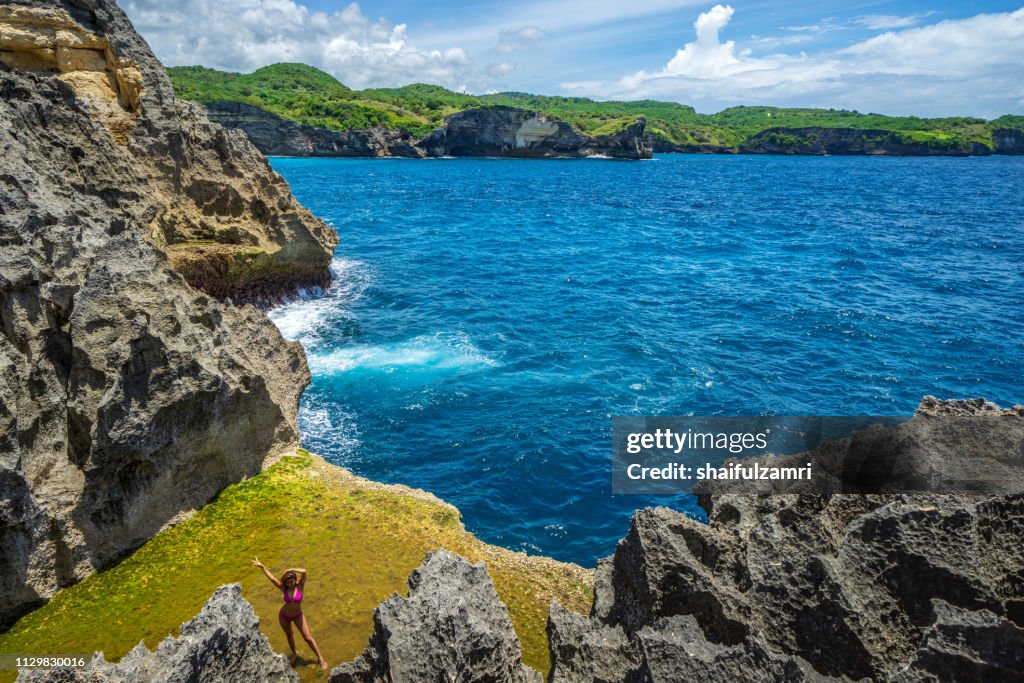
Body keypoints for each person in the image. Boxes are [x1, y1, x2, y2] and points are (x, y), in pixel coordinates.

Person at [252, 557, 328, 670]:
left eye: (291, 581)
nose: (290, 583)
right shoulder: (284, 589)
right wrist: (262, 567)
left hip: (298, 616)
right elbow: (272, 579)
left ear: (295, 579)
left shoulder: (300, 586)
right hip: (284, 616)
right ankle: (295, 653)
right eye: (287, 582)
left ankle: (320, 658)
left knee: (308, 638)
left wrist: (291, 569)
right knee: (289, 635)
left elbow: (304, 571)